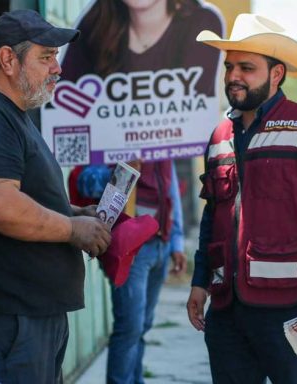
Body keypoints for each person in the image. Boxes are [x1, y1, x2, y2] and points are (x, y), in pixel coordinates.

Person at [60, 1, 222, 382]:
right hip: (128, 243)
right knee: (128, 331)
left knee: (142, 330)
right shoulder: (102, 121)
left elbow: (169, 183)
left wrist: (177, 240)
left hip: (160, 240)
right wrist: (120, 170)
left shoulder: (159, 120)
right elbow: (82, 182)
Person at [186, 13, 297, 384]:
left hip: (294, 305)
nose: (233, 76)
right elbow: (213, 216)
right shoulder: (218, 136)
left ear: (276, 74)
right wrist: (200, 281)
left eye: (247, 67)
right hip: (227, 309)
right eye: (229, 67)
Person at [0, 10, 112, 384]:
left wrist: (72, 210)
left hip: (29, 319)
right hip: (8, 323)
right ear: (8, 59)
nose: (57, 69)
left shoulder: (11, 115)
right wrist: (71, 228)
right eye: (46, 57)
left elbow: (19, 193)